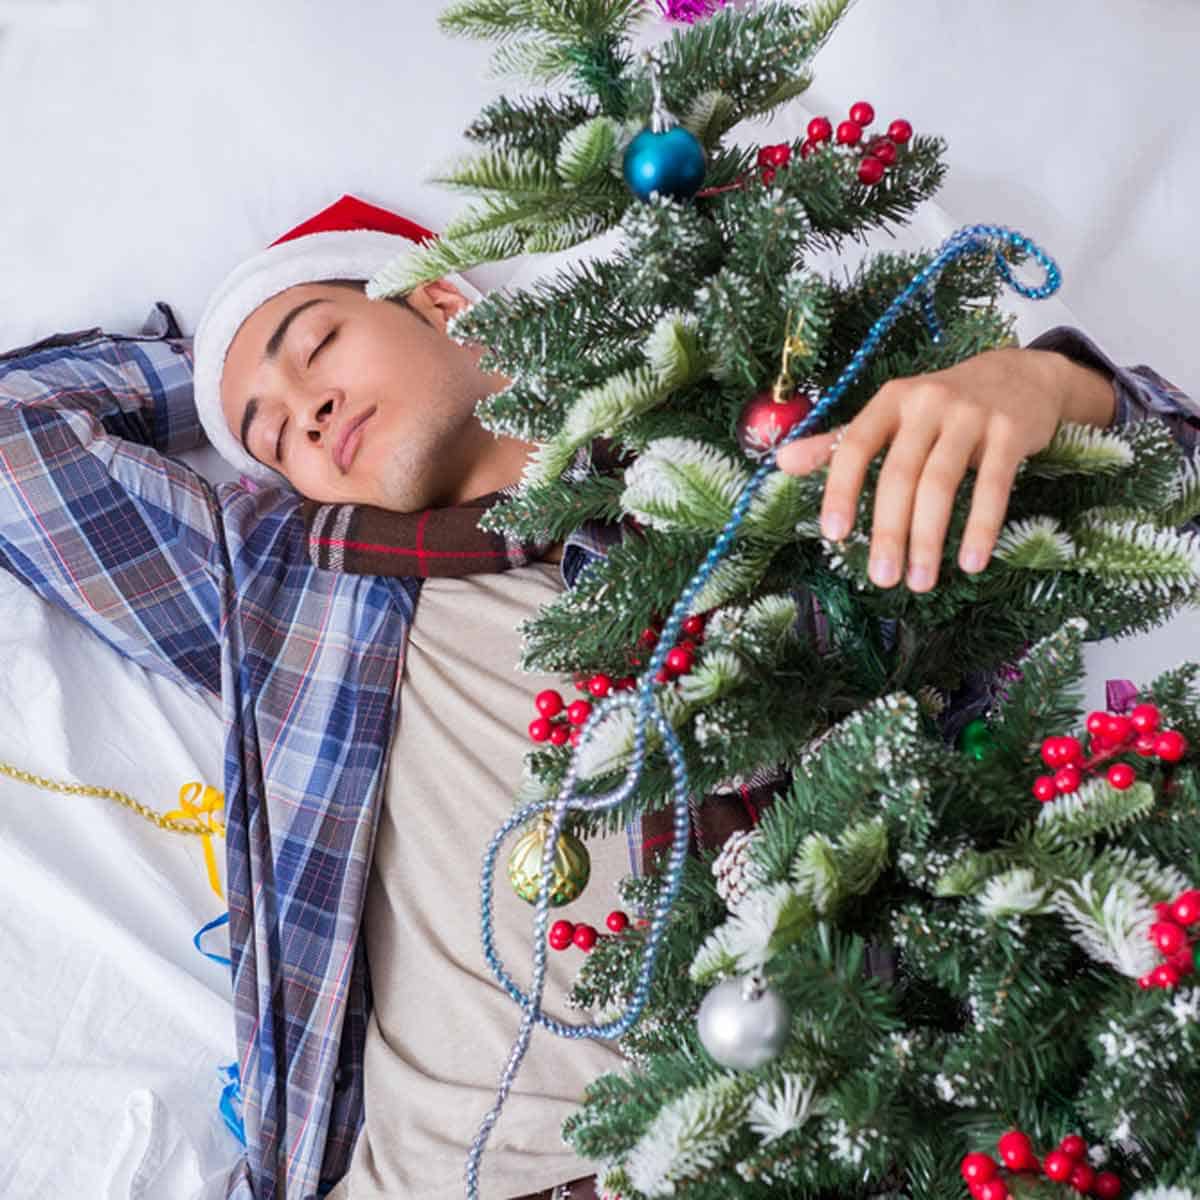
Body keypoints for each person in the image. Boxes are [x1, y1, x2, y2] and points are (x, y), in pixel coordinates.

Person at [1, 217, 1197, 1200]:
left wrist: (1049, 382)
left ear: (444, 302)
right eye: (270, 432)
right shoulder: (284, 589)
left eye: (317, 346)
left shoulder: (753, 472)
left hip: (792, 1142)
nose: (303, 411)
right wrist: (209, 371)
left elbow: (1170, 485)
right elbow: (17, 449)